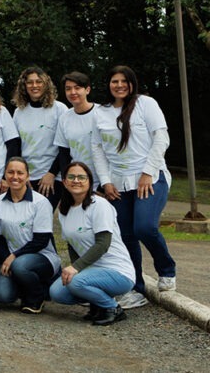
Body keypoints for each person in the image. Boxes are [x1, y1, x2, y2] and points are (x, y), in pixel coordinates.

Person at [91, 65, 176, 308]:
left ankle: (167, 269)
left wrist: (148, 173)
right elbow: (97, 148)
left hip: (150, 178)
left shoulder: (146, 104)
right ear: (108, 84)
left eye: (123, 81)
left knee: (144, 227)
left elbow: (161, 138)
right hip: (117, 183)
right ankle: (135, 287)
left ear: (132, 83)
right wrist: (106, 182)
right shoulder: (101, 112)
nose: (119, 85)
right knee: (125, 235)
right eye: (114, 81)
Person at [49, 162, 135, 326]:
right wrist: (76, 269)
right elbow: (72, 245)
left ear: (89, 182)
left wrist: (76, 268)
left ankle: (113, 308)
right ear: (64, 182)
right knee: (57, 292)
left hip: (117, 271)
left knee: (75, 282)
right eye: (71, 177)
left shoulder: (99, 205)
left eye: (81, 177)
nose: (76, 180)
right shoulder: (64, 210)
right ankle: (97, 304)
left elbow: (103, 244)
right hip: (92, 271)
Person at [0, 157, 60, 314]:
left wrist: (13, 256)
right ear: (5, 175)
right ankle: (24, 286)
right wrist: (7, 259)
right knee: (2, 295)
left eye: (20, 173)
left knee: (20, 266)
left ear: (28, 176)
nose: (15, 176)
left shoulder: (40, 202)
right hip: (12, 258)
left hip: (42, 256)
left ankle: (37, 296)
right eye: (10, 172)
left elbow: (41, 241)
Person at [11, 66, 68, 208]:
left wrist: (51, 174)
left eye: (38, 81)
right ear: (24, 86)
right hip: (27, 178)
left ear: (46, 84)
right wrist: (24, 175)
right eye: (30, 82)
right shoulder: (19, 112)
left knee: (43, 216)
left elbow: (65, 147)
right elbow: (17, 147)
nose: (34, 85)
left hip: (51, 177)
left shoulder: (59, 109)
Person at [53, 71, 100, 183]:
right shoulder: (64, 118)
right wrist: (66, 180)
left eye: (77, 88)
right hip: (77, 181)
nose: (72, 92)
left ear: (87, 90)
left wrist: (105, 182)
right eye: (68, 89)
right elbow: (64, 153)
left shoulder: (102, 113)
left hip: (102, 181)